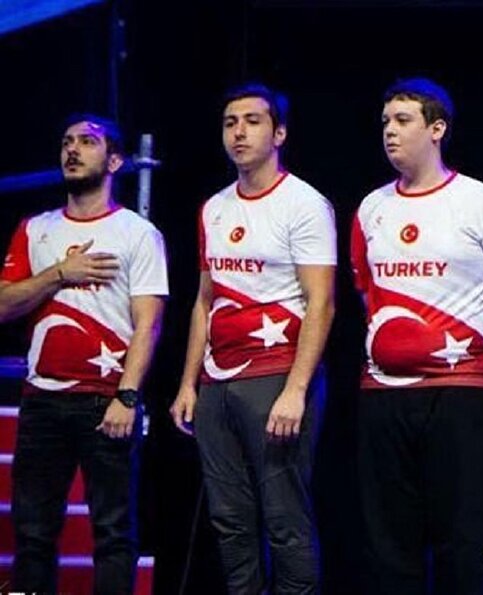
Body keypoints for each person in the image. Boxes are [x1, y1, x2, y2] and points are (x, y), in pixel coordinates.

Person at [349, 77, 483, 594]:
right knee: (389, 543)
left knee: (463, 542)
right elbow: (367, 292)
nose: (390, 131)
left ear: (437, 129)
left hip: (463, 395)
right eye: (385, 121)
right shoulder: (371, 208)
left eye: (403, 121)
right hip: (384, 395)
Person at [169, 83, 336, 594]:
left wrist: (296, 390)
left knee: (285, 518)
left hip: (276, 376)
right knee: (230, 520)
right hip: (217, 381)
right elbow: (204, 300)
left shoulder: (304, 204)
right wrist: (188, 384)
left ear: (278, 133)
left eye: (252, 121)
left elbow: (321, 303)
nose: (239, 132)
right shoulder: (213, 208)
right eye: (230, 123)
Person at [0, 114, 168, 594]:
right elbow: (4, 305)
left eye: (88, 142)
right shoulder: (35, 229)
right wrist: (60, 273)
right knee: (32, 535)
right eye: (67, 142)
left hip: (105, 403)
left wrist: (127, 396)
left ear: (114, 161)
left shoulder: (137, 233)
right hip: (42, 401)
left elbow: (149, 323)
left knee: (113, 534)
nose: (72, 150)